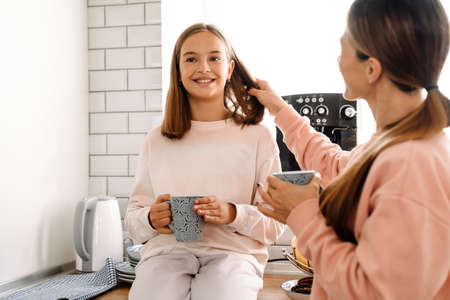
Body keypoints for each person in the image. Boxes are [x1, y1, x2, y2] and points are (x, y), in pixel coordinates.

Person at [248, 0, 450, 299]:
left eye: (343, 50)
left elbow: (374, 292)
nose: (338, 60)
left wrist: (304, 214)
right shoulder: (391, 143)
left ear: (371, 69)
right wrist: (280, 109)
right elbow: (335, 166)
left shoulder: (413, 164)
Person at [124, 23, 284, 300]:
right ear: (178, 71)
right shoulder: (156, 140)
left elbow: (273, 223)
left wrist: (233, 213)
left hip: (233, 256)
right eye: (191, 59)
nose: (203, 67)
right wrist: (151, 217)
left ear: (230, 69)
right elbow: (133, 221)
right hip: (166, 253)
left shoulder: (258, 137)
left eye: (214, 58)